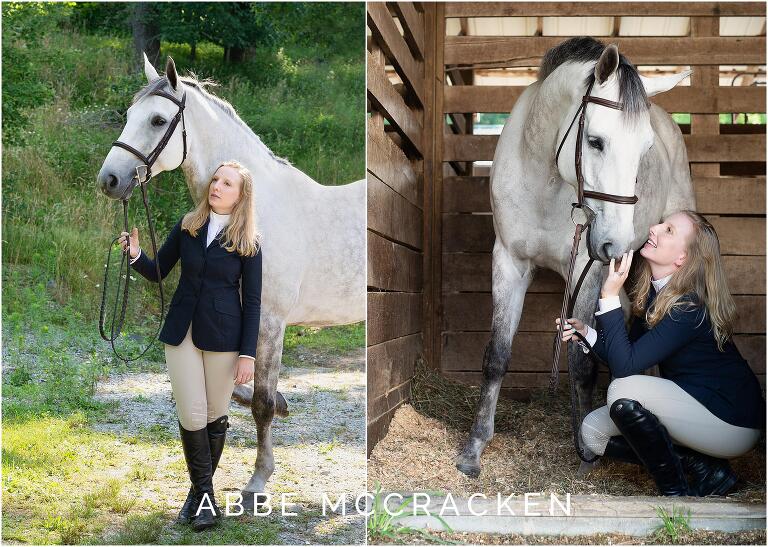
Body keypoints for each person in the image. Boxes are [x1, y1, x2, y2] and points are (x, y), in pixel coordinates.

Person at [556, 210, 765, 497]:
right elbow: (626, 355)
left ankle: (674, 492)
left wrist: (608, 296)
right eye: (661, 224)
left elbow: (625, 366)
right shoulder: (657, 297)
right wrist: (586, 333)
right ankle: (704, 468)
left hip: (732, 421)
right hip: (698, 409)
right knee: (591, 432)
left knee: (621, 390)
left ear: (682, 258)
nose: (653, 228)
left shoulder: (687, 307)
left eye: (668, 230)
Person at [120, 160, 262, 529]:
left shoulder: (249, 243)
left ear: (241, 195)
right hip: (181, 332)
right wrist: (135, 255)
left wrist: (248, 353)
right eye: (215, 179)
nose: (216, 186)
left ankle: (197, 497)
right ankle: (207, 497)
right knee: (192, 415)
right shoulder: (188, 226)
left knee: (215, 415)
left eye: (227, 183)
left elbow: (254, 302)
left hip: (225, 339)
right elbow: (157, 272)